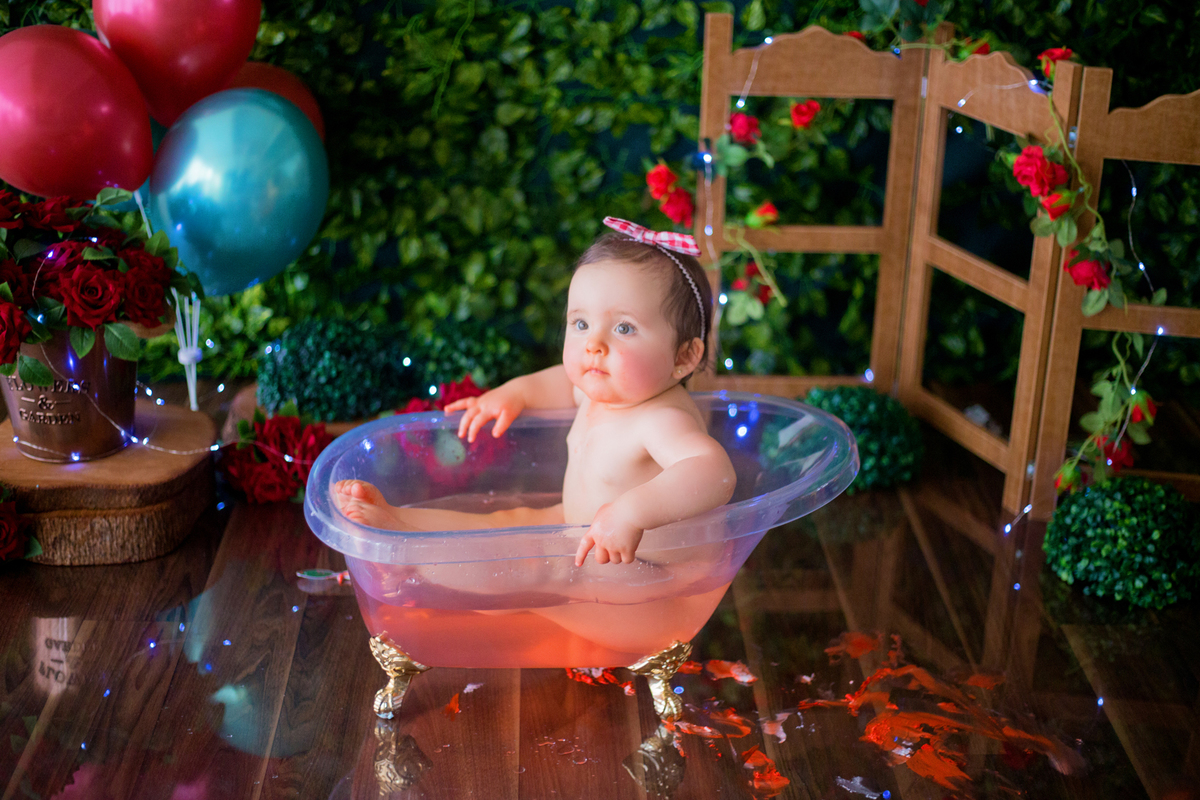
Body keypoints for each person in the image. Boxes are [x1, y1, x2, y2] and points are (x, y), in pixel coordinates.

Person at [335, 217, 736, 569]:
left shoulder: (659, 419)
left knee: (530, 566)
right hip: (577, 530)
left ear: (684, 357)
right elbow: (563, 381)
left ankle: (417, 560)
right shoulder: (604, 389)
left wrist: (632, 513)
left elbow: (712, 470)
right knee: (507, 524)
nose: (593, 344)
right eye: (580, 324)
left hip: (636, 566)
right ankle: (398, 525)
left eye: (624, 328)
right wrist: (515, 393)